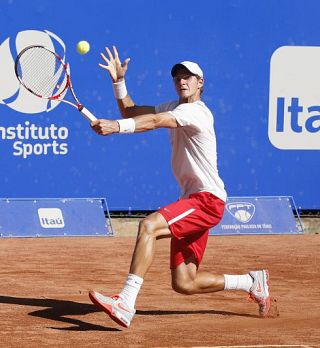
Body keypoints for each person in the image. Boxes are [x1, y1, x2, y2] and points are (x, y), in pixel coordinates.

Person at [89, 46, 271, 328]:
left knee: (148, 226)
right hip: (196, 200)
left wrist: (116, 127)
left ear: (201, 83)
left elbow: (154, 121)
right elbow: (132, 110)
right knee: (184, 283)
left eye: (189, 77)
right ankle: (250, 281)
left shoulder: (196, 112)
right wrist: (118, 82)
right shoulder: (175, 107)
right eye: (177, 78)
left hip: (206, 200)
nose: (182, 81)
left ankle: (126, 301)